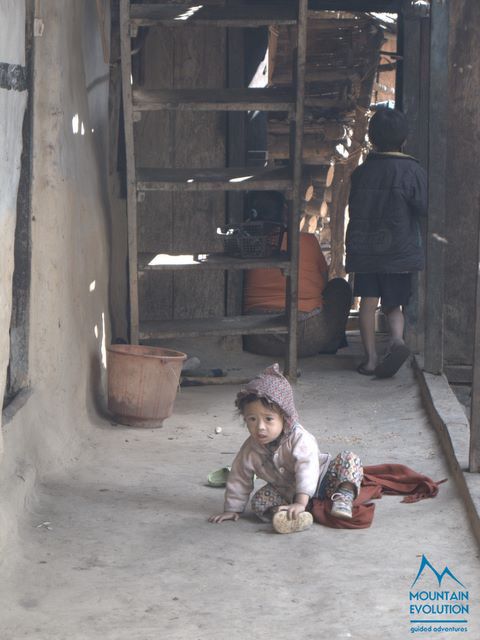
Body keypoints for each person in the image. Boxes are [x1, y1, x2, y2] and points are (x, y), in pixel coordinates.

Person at [208, 364, 363, 534]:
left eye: (268, 419)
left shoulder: (300, 438)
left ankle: (343, 497)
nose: (260, 427)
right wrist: (233, 509)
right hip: (287, 491)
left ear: (285, 417)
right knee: (259, 502)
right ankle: (288, 515)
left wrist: (301, 501)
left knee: (349, 458)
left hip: (323, 479)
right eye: (252, 419)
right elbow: (239, 477)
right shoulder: (250, 449)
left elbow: (307, 469)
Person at [345, 108, 427, 378]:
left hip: (367, 248)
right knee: (394, 303)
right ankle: (397, 341)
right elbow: (424, 207)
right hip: (398, 250)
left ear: (372, 138)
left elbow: (353, 207)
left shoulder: (362, 172)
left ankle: (370, 360)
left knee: (368, 303)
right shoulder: (412, 170)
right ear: (404, 139)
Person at [242, 191, 352, 358]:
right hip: (306, 338)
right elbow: (323, 284)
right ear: (285, 212)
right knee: (340, 287)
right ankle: (330, 344)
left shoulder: (245, 244)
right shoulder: (307, 240)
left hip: (257, 339)